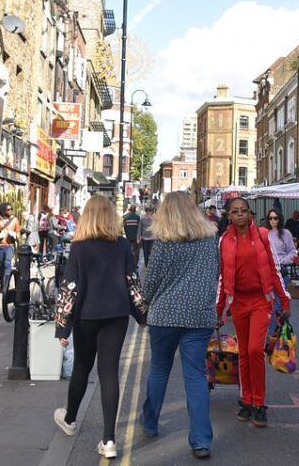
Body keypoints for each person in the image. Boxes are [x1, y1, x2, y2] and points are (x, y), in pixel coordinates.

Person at [53, 195, 148, 460]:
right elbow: (132, 283)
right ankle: (108, 440)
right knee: (109, 373)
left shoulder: (79, 247)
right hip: (116, 315)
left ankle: (70, 419)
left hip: (86, 316)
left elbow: (69, 289)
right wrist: (141, 315)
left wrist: (63, 328)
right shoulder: (121, 245)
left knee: (82, 368)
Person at [140, 192, 219, 459]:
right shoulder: (210, 241)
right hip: (198, 317)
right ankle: (201, 440)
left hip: (164, 316)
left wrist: (145, 302)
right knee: (196, 376)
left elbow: (150, 283)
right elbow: (214, 275)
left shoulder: (164, 243)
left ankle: (150, 422)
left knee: (160, 370)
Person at [216, 197, 291, 428]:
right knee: (244, 354)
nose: (240, 215)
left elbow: (274, 269)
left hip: (260, 301)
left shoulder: (263, 236)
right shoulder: (224, 241)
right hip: (238, 302)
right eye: (235, 211)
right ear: (229, 215)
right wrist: (218, 311)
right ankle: (246, 400)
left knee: (255, 349)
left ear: (250, 213)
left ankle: (259, 403)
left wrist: (284, 300)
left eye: (244, 211)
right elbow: (222, 277)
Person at [264, 208, 298, 335]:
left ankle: (275, 331)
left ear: (280, 219)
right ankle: (274, 331)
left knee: (280, 303)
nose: (273, 221)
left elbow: (292, 251)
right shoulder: (264, 233)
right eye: (270, 218)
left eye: (275, 218)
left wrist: (282, 260)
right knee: (269, 304)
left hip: (281, 271)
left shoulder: (286, 233)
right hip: (267, 272)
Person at [0, 203, 20, 292]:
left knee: (7, 263)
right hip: (0, 246)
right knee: (1, 265)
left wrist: (15, 235)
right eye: (8, 209)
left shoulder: (14, 220)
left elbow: (18, 231)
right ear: (3, 210)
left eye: (11, 209)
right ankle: (2, 284)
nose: (10, 211)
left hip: (10, 246)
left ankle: (6, 284)